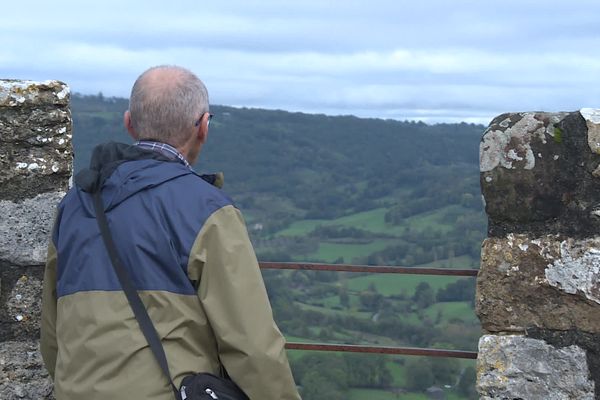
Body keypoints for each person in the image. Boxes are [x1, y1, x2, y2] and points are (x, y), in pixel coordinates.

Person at [40, 65, 301, 400]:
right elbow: (252, 345)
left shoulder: (75, 205)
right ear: (204, 127)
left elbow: (52, 334)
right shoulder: (207, 209)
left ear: (129, 123)